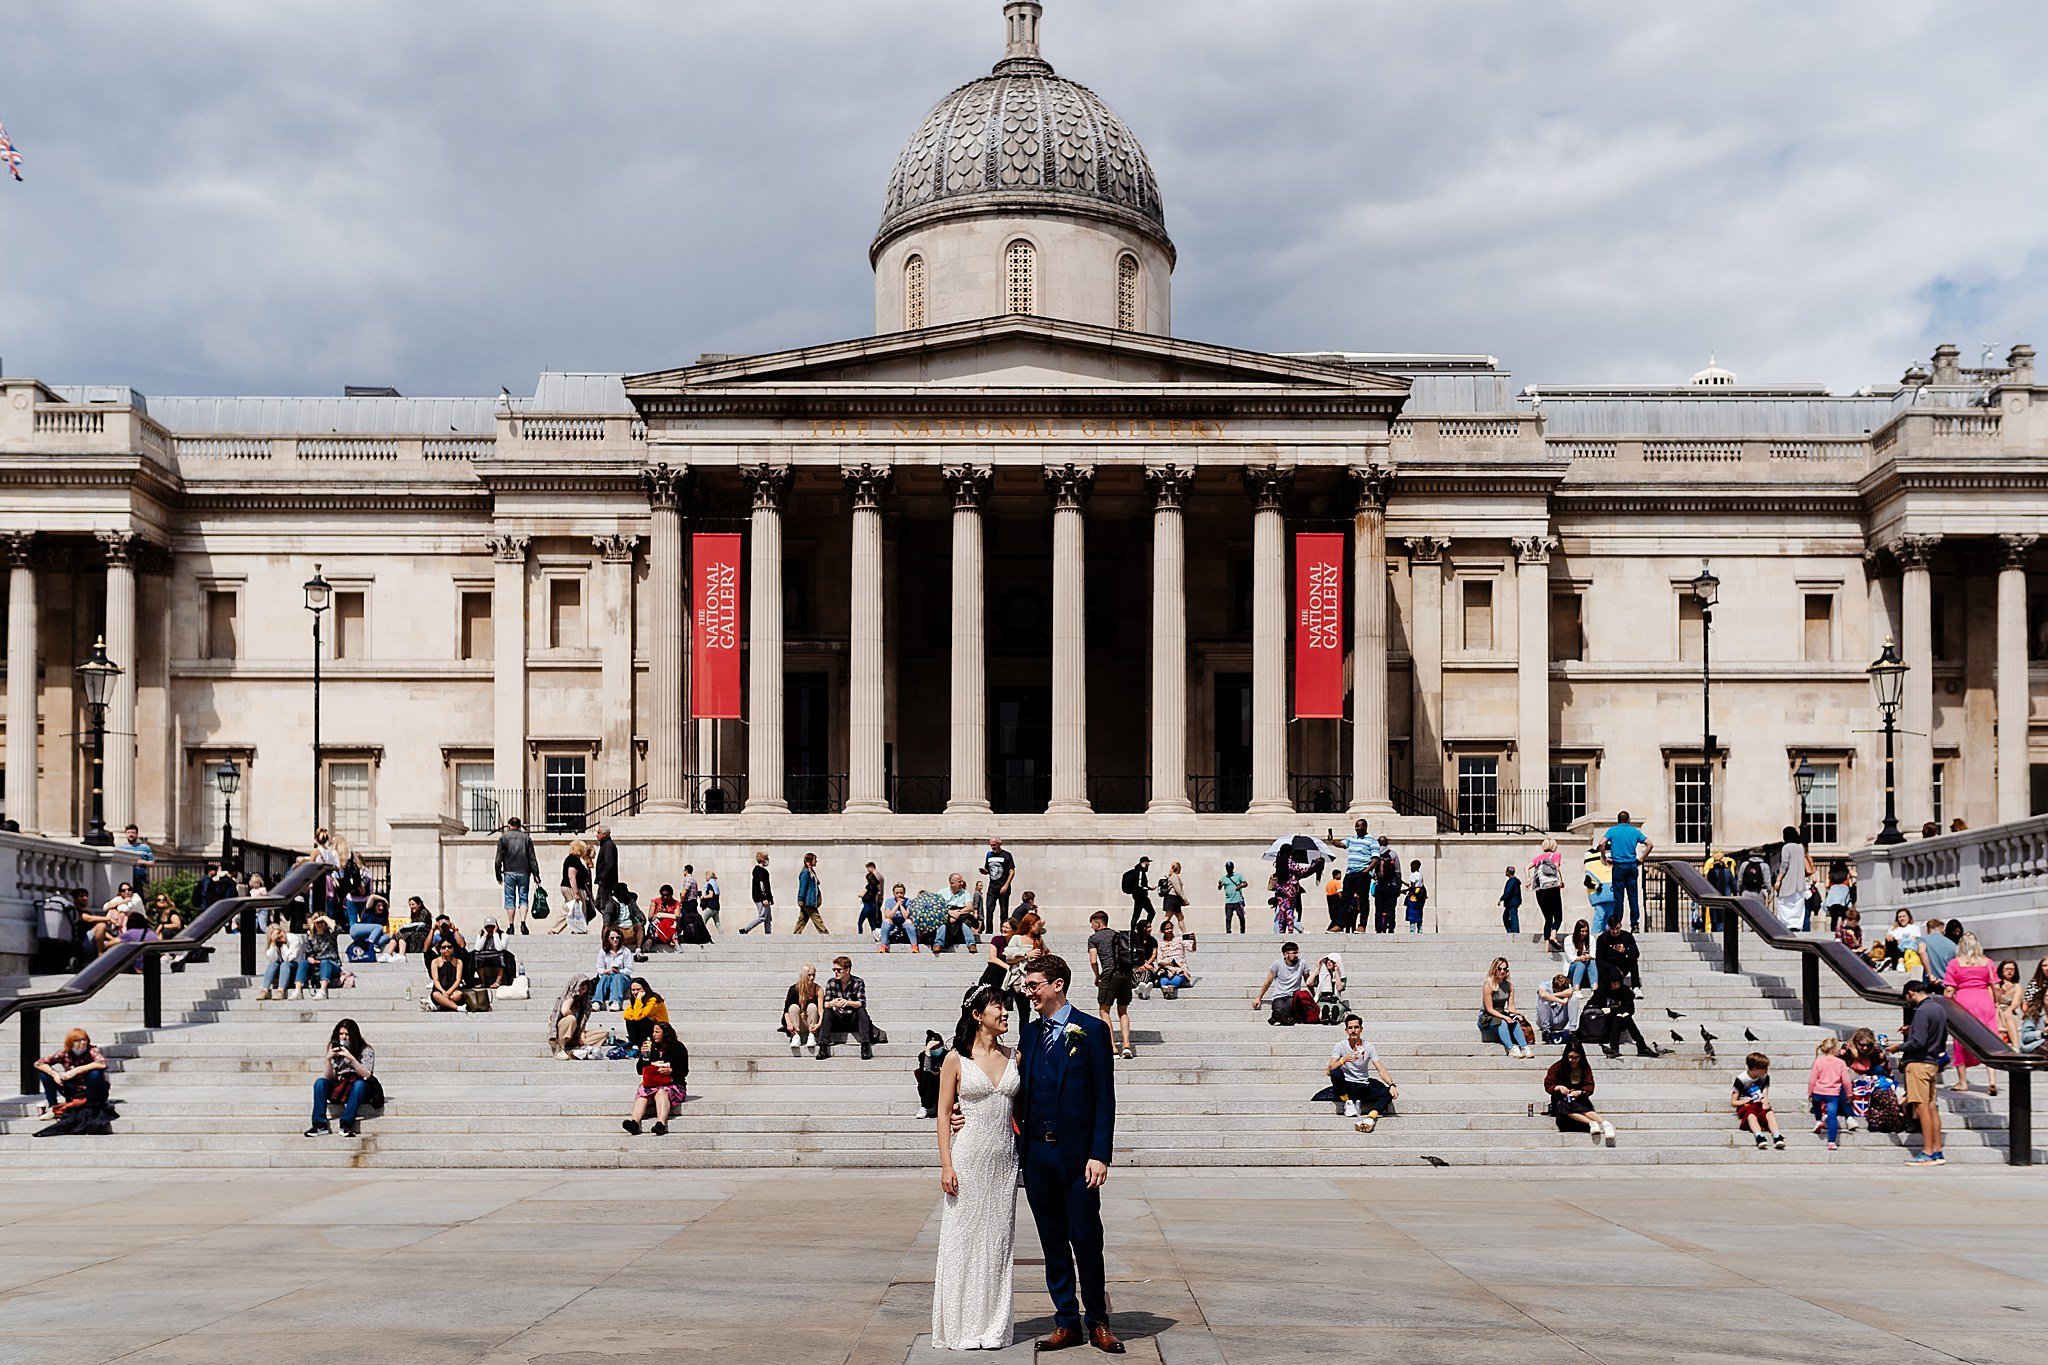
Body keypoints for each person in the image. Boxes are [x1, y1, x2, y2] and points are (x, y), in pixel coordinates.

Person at [1006, 956, 1120, 1353]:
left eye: (1034, 984)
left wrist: (1099, 1154)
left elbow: (1105, 1098)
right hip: (1037, 1156)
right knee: (1052, 1241)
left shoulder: (1091, 1029)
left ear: (1057, 985)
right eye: (1027, 984)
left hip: (1078, 1158)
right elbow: (1016, 1090)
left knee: (1086, 1238)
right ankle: (1066, 1321)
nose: (1028, 991)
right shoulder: (1030, 1033)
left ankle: (1099, 1321)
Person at [932, 983, 1021, 1351]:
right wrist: (946, 1164)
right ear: (977, 1015)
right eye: (997, 1007)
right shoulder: (956, 1058)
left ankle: (994, 1326)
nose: (1005, 1013)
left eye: (1006, 1007)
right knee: (962, 1241)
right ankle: (961, 1325)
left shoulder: (1015, 1055)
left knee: (999, 1244)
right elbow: (941, 1114)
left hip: (1005, 1162)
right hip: (967, 1158)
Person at [1898, 978, 1949, 1165]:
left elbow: (1918, 1042)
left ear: (1911, 992)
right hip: (1932, 1062)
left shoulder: (1921, 1011)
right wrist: (1912, 1030)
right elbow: (1941, 1036)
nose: (1908, 1000)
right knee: (1932, 1106)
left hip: (1918, 1063)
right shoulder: (1939, 1008)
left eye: (1907, 997)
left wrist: (1898, 1047)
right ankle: (1937, 1151)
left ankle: (1927, 1152)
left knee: (1921, 1107)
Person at [1943, 932, 2000, 1095]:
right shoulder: (1987, 962)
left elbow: (1949, 989)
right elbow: (1995, 986)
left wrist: (1945, 1005)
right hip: (1984, 1000)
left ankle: (1962, 1082)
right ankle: (1992, 1080)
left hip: (1963, 1001)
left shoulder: (1955, 964)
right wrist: (1997, 1003)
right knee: (1990, 1039)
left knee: (1961, 1040)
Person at [306, 1018, 380, 1138]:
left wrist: (351, 1058)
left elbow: (367, 1074)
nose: (344, 1037)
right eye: (341, 1034)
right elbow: (330, 1076)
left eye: (347, 1034)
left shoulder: (366, 1050)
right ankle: (319, 1124)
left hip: (359, 1086)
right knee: (320, 1083)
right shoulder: (335, 1049)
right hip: (341, 1085)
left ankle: (346, 1124)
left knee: (359, 1085)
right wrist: (328, 1060)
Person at [1325, 1012, 1399, 1129]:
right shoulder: (1340, 1046)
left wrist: (1392, 1084)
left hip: (1363, 1086)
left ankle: (1371, 1117)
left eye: (1356, 1027)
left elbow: (1380, 1069)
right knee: (1336, 1072)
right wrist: (1343, 1060)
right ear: (1346, 1030)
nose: (1353, 1030)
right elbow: (1329, 1070)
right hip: (1346, 1087)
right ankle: (1348, 1102)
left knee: (1388, 1092)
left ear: (1361, 1029)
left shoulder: (1369, 1046)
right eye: (1350, 1028)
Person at [1543, 1039, 1615, 1145]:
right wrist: (1558, 1087)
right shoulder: (1558, 1067)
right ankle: (1592, 1122)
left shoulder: (1584, 1067)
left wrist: (1580, 1092)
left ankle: (1604, 1123)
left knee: (1578, 1104)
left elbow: (1589, 1086)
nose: (1573, 1060)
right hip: (1561, 1102)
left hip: (1579, 1099)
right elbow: (1548, 1084)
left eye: (1576, 1058)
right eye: (1571, 1057)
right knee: (1563, 1105)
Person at [623, 1020, 688, 1135]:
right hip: (653, 1084)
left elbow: (684, 1071)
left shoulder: (678, 1048)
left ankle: (661, 1123)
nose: (653, 1035)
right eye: (653, 1032)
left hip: (673, 1084)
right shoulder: (651, 1047)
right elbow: (639, 1070)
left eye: (657, 1032)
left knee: (661, 1092)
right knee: (642, 1095)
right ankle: (634, 1122)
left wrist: (671, 1071)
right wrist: (644, 1056)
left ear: (665, 1033)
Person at [1085, 911, 1135, 1060]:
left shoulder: (1094, 938)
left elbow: (1093, 960)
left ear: (1098, 923)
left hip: (1109, 974)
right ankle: (1126, 1046)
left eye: (1092, 924)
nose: (1092, 927)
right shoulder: (1118, 935)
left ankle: (1112, 1047)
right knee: (1123, 1011)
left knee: (1104, 1010)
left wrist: (1097, 976)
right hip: (1126, 975)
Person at [33, 1028, 109, 1121]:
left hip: (92, 1090)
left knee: (95, 1073)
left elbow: (102, 1063)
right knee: (44, 1074)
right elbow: (39, 1063)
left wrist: (76, 1070)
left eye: (83, 1040)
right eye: (76, 1041)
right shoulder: (64, 1053)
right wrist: (54, 1074)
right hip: (74, 1089)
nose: (81, 1043)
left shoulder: (92, 1050)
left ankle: (92, 1105)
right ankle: (53, 1106)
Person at [1602, 810, 1652, 933]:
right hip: (1631, 866)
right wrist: (1641, 858)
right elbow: (1650, 844)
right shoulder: (1634, 831)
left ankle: (1616, 924)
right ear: (1629, 820)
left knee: (1618, 898)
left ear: (1618, 820)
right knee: (1633, 897)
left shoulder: (1612, 831)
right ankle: (1634, 924)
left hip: (1618, 866)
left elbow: (1601, 843)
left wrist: (1604, 857)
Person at [820, 956, 877, 1060]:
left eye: (838, 970)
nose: (835, 972)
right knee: (827, 1011)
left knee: (861, 1011)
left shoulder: (858, 982)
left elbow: (862, 1003)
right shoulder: (831, 982)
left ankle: (865, 1046)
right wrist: (832, 1003)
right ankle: (823, 1047)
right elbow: (825, 1004)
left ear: (847, 970)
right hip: (838, 1019)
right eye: (834, 970)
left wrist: (848, 1003)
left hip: (852, 1018)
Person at [492, 815, 539, 935]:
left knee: (509, 899)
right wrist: (536, 874)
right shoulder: (526, 838)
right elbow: (532, 858)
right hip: (524, 871)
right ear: (519, 826)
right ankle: (523, 923)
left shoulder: (504, 838)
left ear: (509, 825)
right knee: (523, 898)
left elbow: (498, 859)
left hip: (509, 872)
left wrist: (498, 874)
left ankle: (511, 925)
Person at [1732, 1052, 1786, 1150]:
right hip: (1746, 1104)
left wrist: (1765, 1102)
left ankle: (1777, 1136)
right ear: (1755, 1069)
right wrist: (1747, 1101)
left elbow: (1765, 1092)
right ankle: (1759, 1136)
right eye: (1765, 1068)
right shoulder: (1741, 1079)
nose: (1767, 1070)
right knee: (1751, 1115)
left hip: (1759, 1102)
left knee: (1769, 1113)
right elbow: (1733, 1102)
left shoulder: (1764, 1077)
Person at [1478, 957, 1530, 1058]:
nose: (1502, 971)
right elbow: (1489, 1009)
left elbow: (1511, 1006)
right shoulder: (1488, 985)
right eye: (1499, 969)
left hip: (1501, 1013)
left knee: (1514, 1021)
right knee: (1502, 1022)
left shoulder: (1509, 986)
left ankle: (1524, 1047)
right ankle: (1511, 1048)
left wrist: (1514, 1015)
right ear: (1494, 969)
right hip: (1487, 1017)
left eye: (1505, 969)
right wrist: (1505, 1017)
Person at [1807, 1036, 1851, 1150]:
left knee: (1816, 1104)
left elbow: (1812, 1079)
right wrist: (1849, 1094)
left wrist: (1810, 1092)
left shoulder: (1818, 1061)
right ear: (1835, 1048)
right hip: (1833, 1094)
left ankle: (1818, 1120)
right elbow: (1846, 1081)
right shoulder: (1841, 1062)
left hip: (1819, 1091)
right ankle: (1831, 1142)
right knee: (1832, 1117)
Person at [1251, 941, 1310, 1025]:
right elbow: (1268, 982)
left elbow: (1308, 981)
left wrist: (1314, 996)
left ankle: (1277, 1017)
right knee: (1278, 1007)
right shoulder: (1277, 964)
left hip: (1293, 996)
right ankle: (1284, 1018)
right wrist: (1258, 997)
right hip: (1279, 996)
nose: (1297, 955)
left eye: (1297, 952)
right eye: (1294, 953)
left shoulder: (1302, 963)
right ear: (1286, 954)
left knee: (1289, 1003)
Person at [1772, 826, 1813, 933]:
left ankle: (1786, 925)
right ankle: (1796, 925)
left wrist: (1779, 879)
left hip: (1788, 881)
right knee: (1797, 905)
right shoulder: (1800, 847)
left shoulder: (1786, 847)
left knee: (1785, 904)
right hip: (1799, 883)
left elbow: (1784, 864)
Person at [550, 975, 601, 1059]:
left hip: (574, 1035)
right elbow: (565, 1010)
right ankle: (561, 1048)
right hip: (561, 1033)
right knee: (571, 1018)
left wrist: (582, 1033)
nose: (583, 987)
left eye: (585, 984)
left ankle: (574, 1050)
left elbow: (583, 1022)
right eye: (581, 984)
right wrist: (573, 997)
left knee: (602, 1034)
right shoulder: (569, 997)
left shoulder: (585, 1002)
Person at [1529, 838, 1565, 949]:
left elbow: (1526, 867)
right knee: (1558, 917)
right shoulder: (1555, 855)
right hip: (1552, 888)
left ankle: (1546, 947)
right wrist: (1561, 880)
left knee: (1548, 918)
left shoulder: (1538, 858)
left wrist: (1527, 879)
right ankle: (1553, 935)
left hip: (1540, 890)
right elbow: (1556, 867)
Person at [294, 913, 341, 999]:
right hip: (317, 965)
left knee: (325, 962)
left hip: (332, 964)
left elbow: (337, 928)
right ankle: (298, 990)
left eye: (321, 922)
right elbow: (308, 953)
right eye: (317, 922)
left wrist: (323, 917)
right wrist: (310, 959)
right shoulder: (311, 937)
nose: (319, 924)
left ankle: (322, 990)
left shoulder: (331, 934)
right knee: (303, 963)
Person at [551, 838, 593, 935]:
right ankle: (579, 929)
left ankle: (555, 929)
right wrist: (576, 893)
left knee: (568, 909)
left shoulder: (573, 859)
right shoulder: (573, 860)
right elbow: (572, 877)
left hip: (569, 887)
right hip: (572, 888)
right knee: (578, 909)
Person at [782, 964, 824, 1056]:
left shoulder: (818, 989)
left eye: (813, 975)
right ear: (803, 975)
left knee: (812, 1006)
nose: (812, 978)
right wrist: (789, 1023)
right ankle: (796, 1036)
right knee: (793, 1007)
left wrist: (819, 1023)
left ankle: (812, 1035)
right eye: (809, 975)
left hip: (811, 1022)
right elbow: (786, 1011)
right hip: (797, 1022)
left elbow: (821, 1009)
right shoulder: (794, 989)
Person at [621, 977, 670, 1047]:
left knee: (644, 1021)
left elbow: (638, 1016)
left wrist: (638, 999)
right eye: (633, 990)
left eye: (638, 989)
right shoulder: (634, 1001)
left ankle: (644, 1046)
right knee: (630, 1021)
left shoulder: (654, 1000)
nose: (635, 992)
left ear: (645, 989)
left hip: (660, 1028)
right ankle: (635, 1045)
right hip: (646, 1027)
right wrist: (638, 1002)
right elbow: (626, 1016)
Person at [590, 824, 621, 934]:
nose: (596, 835)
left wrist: (603, 877)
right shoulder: (605, 845)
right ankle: (611, 924)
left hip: (607, 882)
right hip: (603, 881)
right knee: (598, 904)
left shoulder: (608, 845)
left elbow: (609, 864)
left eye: (598, 833)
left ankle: (610, 927)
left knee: (605, 905)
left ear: (604, 834)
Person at [1583, 839, 1617, 936]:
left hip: (1608, 895)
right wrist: (1596, 886)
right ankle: (1595, 936)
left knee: (1608, 918)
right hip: (1602, 895)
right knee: (1600, 916)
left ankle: (1605, 935)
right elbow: (1587, 882)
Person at [1150, 920, 1192, 998]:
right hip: (1166, 968)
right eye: (1167, 929)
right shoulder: (1160, 943)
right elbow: (1159, 960)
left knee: (1177, 978)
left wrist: (1194, 941)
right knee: (1164, 981)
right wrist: (1167, 964)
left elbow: (1191, 949)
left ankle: (1169, 990)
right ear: (1163, 931)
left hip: (1179, 967)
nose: (1169, 930)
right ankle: (1169, 991)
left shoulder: (1179, 939)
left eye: (1171, 928)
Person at [593, 928, 633, 1010]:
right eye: (612, 938)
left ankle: (615, 1001)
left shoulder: (626, 951)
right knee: (604, 977)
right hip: (608, 976)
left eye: (617, 937)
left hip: (622, 978)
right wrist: (605, 971)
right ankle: (597, 1001)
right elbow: (599, 967)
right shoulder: (603, 951)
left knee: (618, 977)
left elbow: (629, 969)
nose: (615, 940)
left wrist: (619, 971)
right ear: (608, 939)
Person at [914, 1030, 949, 1120]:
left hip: (945, 1083)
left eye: (937, 1047)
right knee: (927, 1074)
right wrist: (928, 1052)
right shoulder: (923, 1055)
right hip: (929, 1085)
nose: (935, 1049)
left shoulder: (947, 1054)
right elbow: (926, 1068)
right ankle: (928, 1107)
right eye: (932, 1048)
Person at [939, 872, 978, 951]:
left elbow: (970, 907)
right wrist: (950, 913)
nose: (962, 883)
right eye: (959, 881)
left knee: (966, 922)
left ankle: (971, 944)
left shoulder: (965, 893)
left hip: (961, 914)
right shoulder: (941, 892)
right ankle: (938, 944)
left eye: (962, 881)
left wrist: (957, 914)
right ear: (952, 883)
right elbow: (937, 907)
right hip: (947, 914)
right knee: (942, 923)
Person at [981, 838, 1017, 923]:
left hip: (1003, 886)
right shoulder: (989, 855)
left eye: (994, 845)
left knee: (1003, 911)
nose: (992, 847)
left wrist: (1006, 885)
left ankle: (1003, 930)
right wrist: (985, 871)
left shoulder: (1007, 855)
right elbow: (988, 869)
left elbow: (1012, 872)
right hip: (992, 886)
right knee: (989, 908)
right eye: (991, 845)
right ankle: (989, 931)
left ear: (999, 844)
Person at [1536, 973, 1578, 1045]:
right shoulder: (1545, 985)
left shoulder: (1568, 985)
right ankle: (1546, 1032)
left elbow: (1570, 992)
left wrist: (1554, 995)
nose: (1557, 991)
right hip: (1546, 1019)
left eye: (1560, 990)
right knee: (1544, 1000)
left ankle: (1573, 1031)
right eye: (1555, 990)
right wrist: (1561, 1000)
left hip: (1560, 1018)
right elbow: (1543, 994)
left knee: (1573, 999)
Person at [472, 920, 515, 989]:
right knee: (476, 956)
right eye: (488, 927)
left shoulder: (503, 935)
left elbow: (499, 948)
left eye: (492, 927)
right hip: (484, 958)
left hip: (497, 957)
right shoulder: (481, 935)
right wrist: (485, 935)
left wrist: (495, 933)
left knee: (501, 955)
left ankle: (498, 980)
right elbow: (478, 948)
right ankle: (482, 981)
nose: (490, 929)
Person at [257, 921, 294, 1000]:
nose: (280, 936)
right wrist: (273, 944)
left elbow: (289, 959)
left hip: (293, 970)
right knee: (273, 964)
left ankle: (281, 991)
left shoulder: (293, 939)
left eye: (280, 932)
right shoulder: (274, 945)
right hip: (281, 973)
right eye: (277, 936)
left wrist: (284, 945)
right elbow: (273, 959)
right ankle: (265, 990)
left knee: (284, 964)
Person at [1918, 917, 1961, 984]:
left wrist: (1930, 974)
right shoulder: (1953, 945)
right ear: (1942, 929)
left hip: (1931, 982)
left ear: (1928, 929)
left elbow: (1921, 951)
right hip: (1948, 984)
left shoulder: (1923, 940)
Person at [741, 850, 775, 934]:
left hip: (764, 897)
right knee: (762, 917)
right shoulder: (759, 871)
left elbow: (767, 886)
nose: (767, 860)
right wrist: (764, 897)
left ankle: (768, 933)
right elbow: (761, 884)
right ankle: (746, 929)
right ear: (763, 859)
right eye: (766, 858)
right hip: (761, 898)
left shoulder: (763, 871)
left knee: (768, 918)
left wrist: (770, 898)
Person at [427, 940, 467, 1011]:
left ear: (453, 948)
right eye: (444, 947)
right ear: (440, 949)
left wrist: (449, 991)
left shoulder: (458, 962)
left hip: (453, 989)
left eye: (449, 947)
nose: (447, 949)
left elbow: (458, 980)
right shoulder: (435, 961)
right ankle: (457, 1007)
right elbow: (435, 980)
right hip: (439, 990)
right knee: (436, 995)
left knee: (459, 994)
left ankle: (441, 1005)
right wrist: (443, 991)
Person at [1993, 959, 2024, 1046]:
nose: (2010, 971)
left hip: (2010, 1010)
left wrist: (2009, 1010)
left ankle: (2015, 1045)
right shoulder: (1996, 985)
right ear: (2001, 970)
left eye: (2012, 969)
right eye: (2007, 969)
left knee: (2008, 1015)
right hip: (1996, 1010)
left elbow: (2016, 1001)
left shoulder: (2017, 986)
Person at [793, 851, 826, 934]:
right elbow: (802, 886)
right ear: (809, 861)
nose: (816, 861)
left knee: (802, 919)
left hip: (811, 901)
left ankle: (795, 935)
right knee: (817, 919)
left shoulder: (811, 872)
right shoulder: (805, 873)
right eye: (815, 859)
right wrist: (800, 899)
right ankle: (825, 934)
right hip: (808, 901)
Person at [876, 882, 915, 952]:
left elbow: (907, 917)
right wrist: (897, 905)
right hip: (893, 923)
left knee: (909, 921)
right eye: (897, 893)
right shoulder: (889, 901)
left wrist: (901, 906)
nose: (899, 895)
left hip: (904, 923)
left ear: (904, 893)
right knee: (886, 921)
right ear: (894, 893)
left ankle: (914, 946)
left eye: (901, 893)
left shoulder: (909, 901)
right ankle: (883, 945)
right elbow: (888, 916)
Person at [1371, 848, 1402, 934]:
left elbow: (1372, 872)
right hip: (1391, 886)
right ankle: (1391, 928)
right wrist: (1398, 886)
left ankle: (1378, 928)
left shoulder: (1374, 854)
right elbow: (1397, 871)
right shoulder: (1393, 854)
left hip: (1380, 886)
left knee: (1379, 909)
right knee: (1391, 909)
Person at [1821, 859, 1854, 934]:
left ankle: (1833, 932)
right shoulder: (1847, 872)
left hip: (1833, 898)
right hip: (1844, 897)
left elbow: (1826, 884)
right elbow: (1857, 875)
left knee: (1834, 918)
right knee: (1844, 916)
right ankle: (1844, 932)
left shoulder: (1831, 873)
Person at [1122, 855, 1154, 934]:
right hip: (1141, 896)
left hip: (1138, 896)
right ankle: (1145, 927)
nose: (1148, 865)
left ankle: (1133, 930)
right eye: (1148, 863)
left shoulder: (1139, 871)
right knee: (1151, 912)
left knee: (1136, 914)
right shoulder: (1140, 872)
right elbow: (1140, 886)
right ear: (1145, 863)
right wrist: (1149, 888)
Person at [1562, 919, 1597, 990]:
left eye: (1586, 931)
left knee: (1591, 961)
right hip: (1572, 967)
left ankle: (1594, 986)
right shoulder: (1568, 939)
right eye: (1582, 931)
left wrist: (1589, 956)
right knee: (1582, 961)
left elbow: (1593, 955)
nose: (1584, 933)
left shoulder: (1591, 939)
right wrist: (1581, 958)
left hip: (1587, 967)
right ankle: (1576, 987)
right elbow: (1570, 958)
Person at [118, 823, 155, 887]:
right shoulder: (120, 848)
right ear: (126, 834)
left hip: (141, 879)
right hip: (125, 879)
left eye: (133, 832)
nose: (131, 834)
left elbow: (152, 863)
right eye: (128, 832)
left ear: (137, 834)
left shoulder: (145, 847)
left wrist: (141, 861)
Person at [1218, 860, 1248, 934]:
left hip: (1238, 900)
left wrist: (1240, 886)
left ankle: (1242, 931)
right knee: (1228, 917)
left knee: (1241, 916)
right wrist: (1219, 884)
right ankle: (1228, 931)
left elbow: (1246, 883)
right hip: (1229, 901)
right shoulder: (1224, 878)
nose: (1228, 869)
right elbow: (1219, 888)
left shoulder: (1238, 876)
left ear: (1233, 868)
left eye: (1230, 868)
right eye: (1227, 868)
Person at [855, 861, 884, 938]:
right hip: (874, 905)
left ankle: (860, 936)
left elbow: (862, 894)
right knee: (872, 924)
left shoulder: (869, 885)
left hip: (868, 905)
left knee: (860, 922)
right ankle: (876, 937)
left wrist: (861, 896)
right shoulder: (879, 879)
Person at [1158, 861, 1188, 934]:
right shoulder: (1174, 876)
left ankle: (1185, 933)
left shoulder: (1171, 876)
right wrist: (1184, 898)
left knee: (1180, 917)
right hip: (1172, 899)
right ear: (1178, 868)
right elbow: (1178, 889)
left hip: (1173, 899)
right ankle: (1160, 933)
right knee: (1168, 917)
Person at [1497, 865, 1522, 938]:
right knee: (1506, 917)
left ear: (1508, 872)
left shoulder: (1512, 881)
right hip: (1512, 902)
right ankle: (1511, 932)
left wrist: (1501, 899)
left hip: (1512, 902)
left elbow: (1508, 891)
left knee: (1512, 917)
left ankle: (1514, 932)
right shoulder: (1514, 880)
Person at [1402, 860, 1427, 933]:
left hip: (1414, 896)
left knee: (1412, 913)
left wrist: (1403, 891)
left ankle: (1412, 930)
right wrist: (1403, 882)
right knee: (1419, 912)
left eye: (1411, 866)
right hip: (1420, 895)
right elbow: (1417, 885)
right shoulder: (1420, 874)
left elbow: (1412, 887)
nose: (1410, 868)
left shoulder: (1413, 875)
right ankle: (1420, 929)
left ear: (1414, 866)